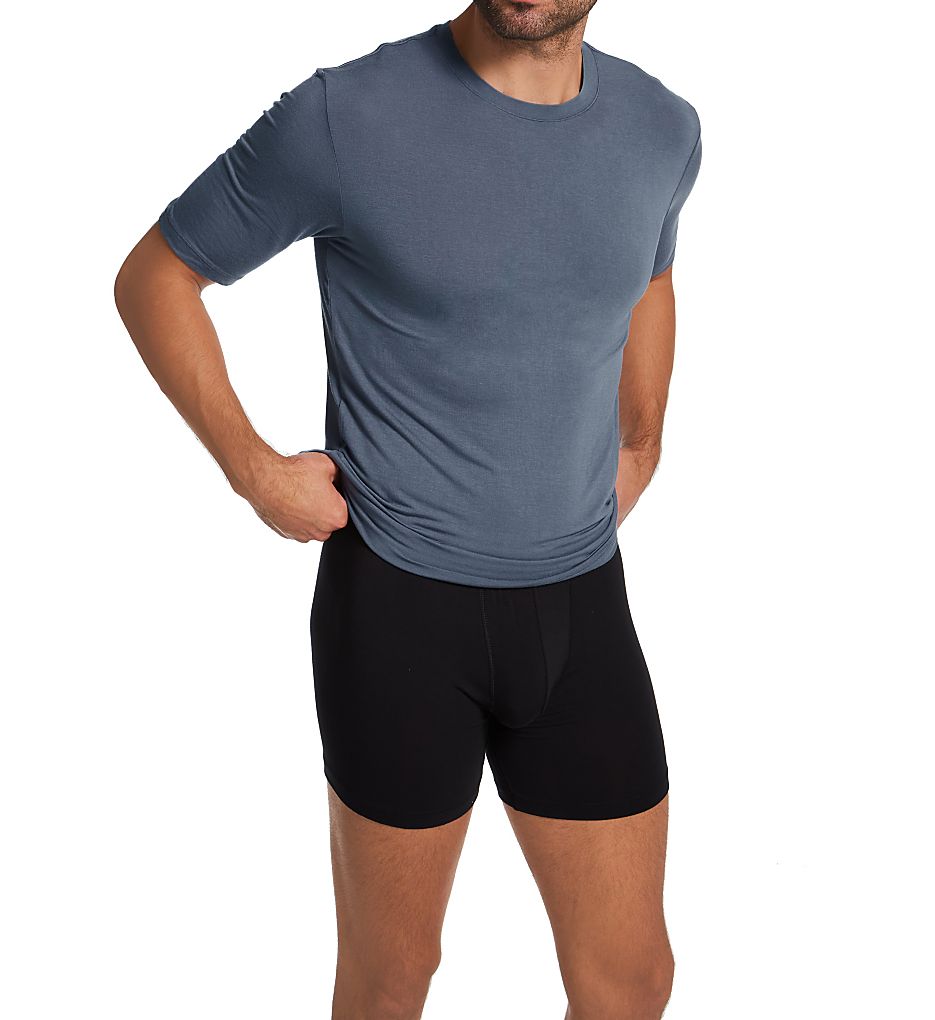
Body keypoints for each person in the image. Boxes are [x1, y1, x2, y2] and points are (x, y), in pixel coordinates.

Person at [114, 1, 701, 1016]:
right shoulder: (344, 116)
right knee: (393, 979)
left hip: (580, 602)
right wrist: (254, 471)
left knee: (633, 977)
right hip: (398, 610)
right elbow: (157, 276)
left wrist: (641, 440)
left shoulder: (660, 127)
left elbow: (647, 273)